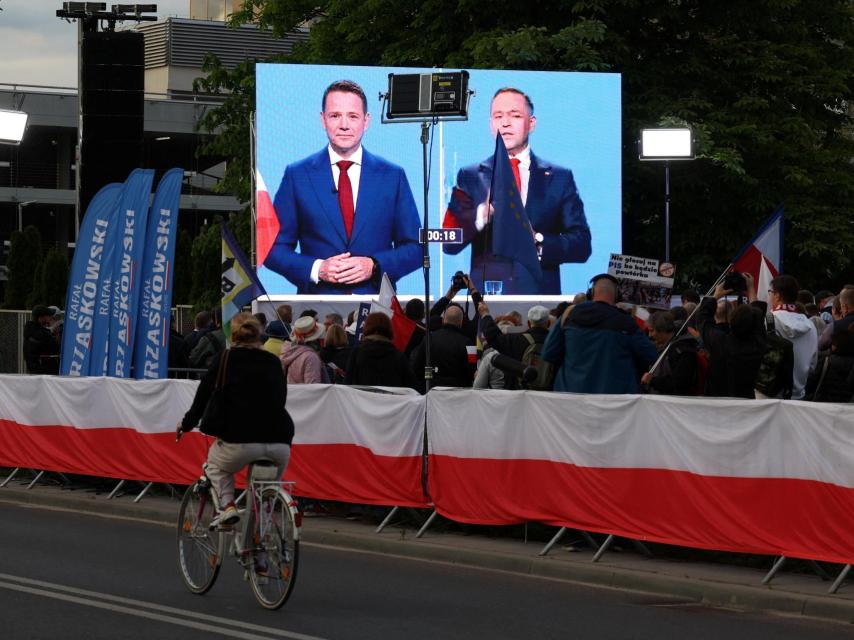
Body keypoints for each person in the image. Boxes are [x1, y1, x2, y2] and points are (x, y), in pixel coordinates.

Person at [265, 79, 422, 294]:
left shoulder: (392, 176)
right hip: (318, 313)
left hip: (379, 313)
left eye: (353, 116)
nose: (344, 125)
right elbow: (273, 249)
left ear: (366, 121)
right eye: (335, 115)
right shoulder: (298, 175)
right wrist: (318, 268)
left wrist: (374, 266)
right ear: (323, 120)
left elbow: (416, 248)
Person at [441, 87, 591, 294]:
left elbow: (582, 245)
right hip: (487, 297)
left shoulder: (560, 177)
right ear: (491, 125)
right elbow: (448, 244)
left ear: (531, 123)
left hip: (540, 301)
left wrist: (538, 241)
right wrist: (477, 219)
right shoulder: (470, 176)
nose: (505, 123)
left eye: (515, 115)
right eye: (498, 116)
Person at [176, 313, 294, 527]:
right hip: (280, 440)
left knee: (215, 466)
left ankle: (227, 506)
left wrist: (186, 424)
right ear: (259, 334)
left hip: (239, 440)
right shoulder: (273, 360)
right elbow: (281, 398)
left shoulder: (225, 358)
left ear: (233, 334)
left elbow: (202, 397)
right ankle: (264, 534)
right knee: (262, 494)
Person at [542, 274, 657, 393]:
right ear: (617, 294)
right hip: (613, 401)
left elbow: (548, 353)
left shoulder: (568, 315)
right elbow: (651, 355)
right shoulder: (626, 322)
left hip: (570, 397)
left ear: (591, 292)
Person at [697, 273, 768, 398]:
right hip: (745, 401)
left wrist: (715, 296)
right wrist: (751, 289)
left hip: (717, 402)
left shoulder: (719, 341)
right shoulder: (757, 344)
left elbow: (703, 320)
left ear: (732, 320)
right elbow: (758, 319)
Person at [768, 275, 818, 400]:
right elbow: (812, 365)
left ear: (777, 295)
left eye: (770, 292)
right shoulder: (810, 325)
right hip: (798, 396)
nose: (769, 296)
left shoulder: (768, 320)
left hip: (769, 395)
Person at [411, 305, 475, 392]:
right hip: (458, 394)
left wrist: (430, 379)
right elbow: (472, 371)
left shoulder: (428, 339)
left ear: (443, 320)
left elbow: (418, 367)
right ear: (461, 321)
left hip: (432, 392)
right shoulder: (469, 344)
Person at [345, 312, 417, 389]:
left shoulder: (356, 354)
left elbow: (347, 385)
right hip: (392, 400)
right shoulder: (399, 356)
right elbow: (411, 387)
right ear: (389, 328)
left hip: (360, 400)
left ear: (366, 327)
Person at [640, 310, 699, 396]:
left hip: (672, 404)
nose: (650, 335)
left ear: (662, 330)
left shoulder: (682, 351)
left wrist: (652, 380)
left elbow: (680, 384)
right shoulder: (666, 346)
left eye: (652, 331)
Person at [280, 315, 328, 383]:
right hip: (304, 393)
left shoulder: (289, 351)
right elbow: (313, 387)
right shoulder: (311, 357)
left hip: (291, 393)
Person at [23, 305, 60, 374]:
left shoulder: (30, 330)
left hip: (35, 372)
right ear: (41, 318)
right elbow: (56, 348)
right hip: (45, 374)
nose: (51, 318)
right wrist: (55, 336)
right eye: (48, 316)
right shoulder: (41, 334)